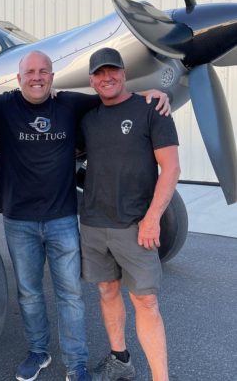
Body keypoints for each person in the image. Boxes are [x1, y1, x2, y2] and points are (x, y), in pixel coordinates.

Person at [0, 50, 170, 381]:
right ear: (19, 78)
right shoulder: (1, 106)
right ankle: (38, 351)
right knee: (29, 292)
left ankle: (76, 363)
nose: (37, 77)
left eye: (43, 72)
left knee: (70, 294)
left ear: (52, 78)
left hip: (62, 218)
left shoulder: (70, 103)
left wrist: (151, 94)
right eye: (30, 72)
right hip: (18, 220)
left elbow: (112, 94)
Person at [79, 48, 180, 381]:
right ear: (91, 79)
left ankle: (160, 377)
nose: (106, 78)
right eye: (99, 73)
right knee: (107, 291)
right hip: (94, 223)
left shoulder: (152, 109)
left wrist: (152, 219)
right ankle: (120, 360)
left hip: (136, 226)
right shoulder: (88, 117)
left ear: (124, 73)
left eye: (113, 71)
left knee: (145, 301)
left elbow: (171, 168)